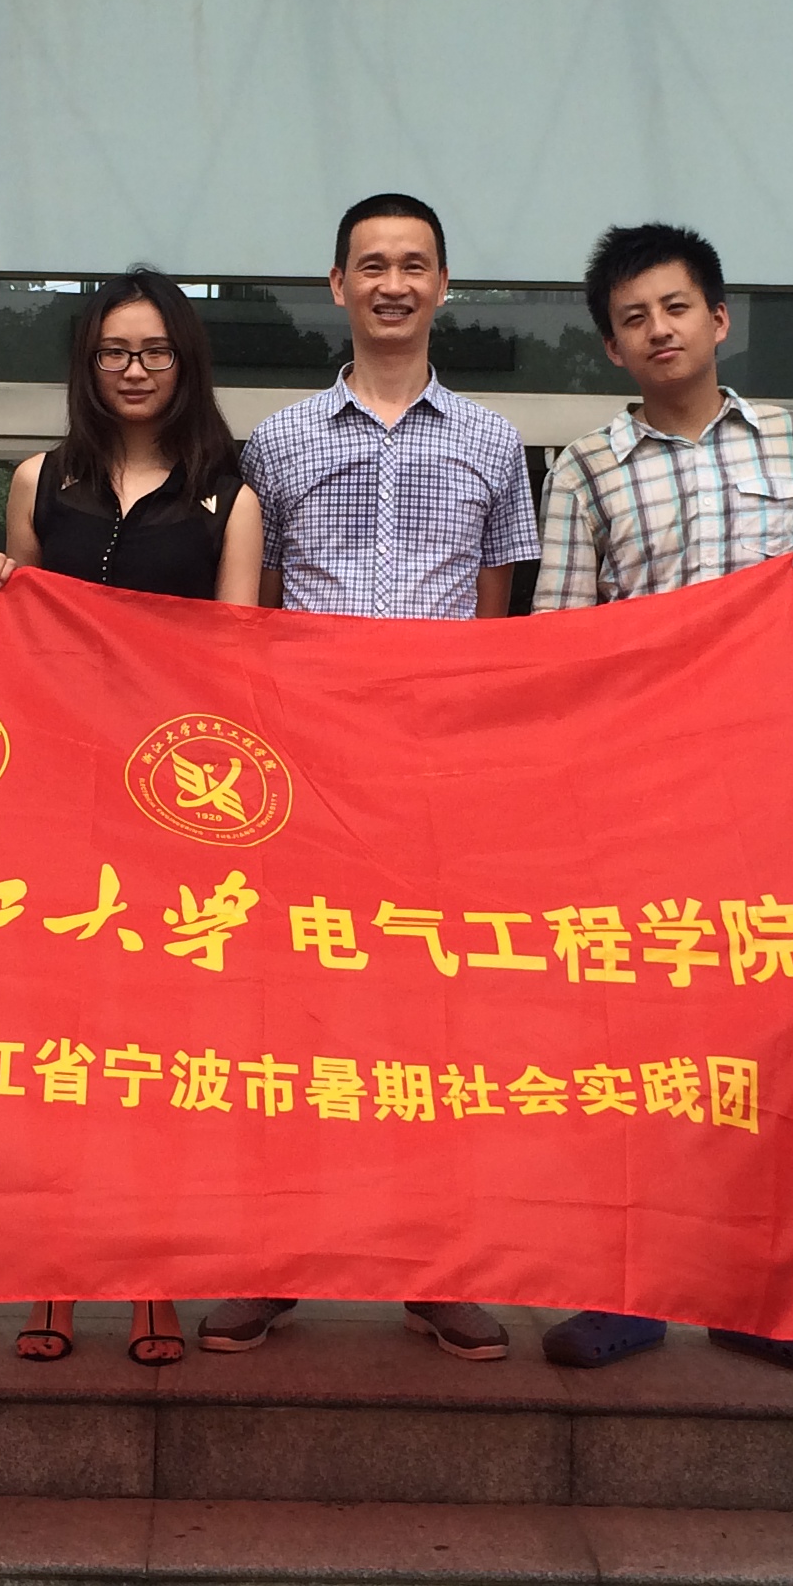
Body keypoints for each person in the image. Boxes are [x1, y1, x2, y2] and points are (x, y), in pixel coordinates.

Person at [529, 221, 793, 1380]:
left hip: (780, 783)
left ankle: (759, 1293)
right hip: (645, 788)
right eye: (633, 319)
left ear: (718, 319)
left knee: (773, 1036)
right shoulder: (587, 466)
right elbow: (562, 636)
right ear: (611, 347)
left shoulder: (792, 439)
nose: (658, 331)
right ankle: (626, 1290)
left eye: (675, 308)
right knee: (633, 1036)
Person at [207, 191, 538, 1363]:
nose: (393, 283)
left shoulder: (495, 443)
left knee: (435, 1024)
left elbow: (496, 627)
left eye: (414, 264)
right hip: (307, 779)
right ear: (337, 285)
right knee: (292, 1020)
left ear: (443, 285)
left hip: (436, 780)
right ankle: (274, 1259)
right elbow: (253, 616)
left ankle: (434, 1269)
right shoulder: (278, 441)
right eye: (372, 265)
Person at [0, 268, 266, 1368]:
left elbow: (238, 660)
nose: (134, 370)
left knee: (158, 1050)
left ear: (185, 362)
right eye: (114, 351)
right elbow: (15, 645)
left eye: (154, 350)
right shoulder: (39, 479)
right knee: (57, 1046)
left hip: (178, 813)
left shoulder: (228, 495)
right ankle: (51, 1275)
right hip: (59, 799)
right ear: (88, 363)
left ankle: (152, 1281)